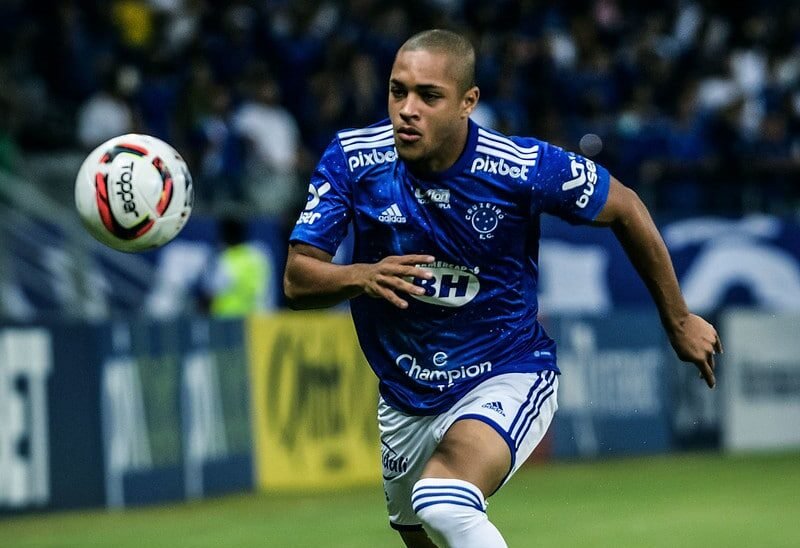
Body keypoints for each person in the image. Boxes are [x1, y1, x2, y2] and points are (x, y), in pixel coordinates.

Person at [283, 29, 722, 548]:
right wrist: (363, 275)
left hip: (504, 371)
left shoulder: (520, 167)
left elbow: (625, 206)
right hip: (405, 397)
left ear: (468, 102)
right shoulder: (354, 159)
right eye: (397, 91)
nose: (407, 109)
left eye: (428, 95)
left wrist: (677, 319)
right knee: (423, 532)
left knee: (442, 500)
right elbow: (297, 277)